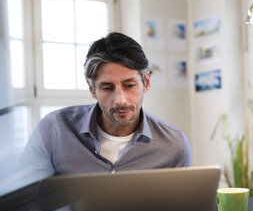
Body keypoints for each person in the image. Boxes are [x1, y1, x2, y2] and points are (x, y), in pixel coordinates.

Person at [18, 32, 192, 180]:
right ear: (92, 89)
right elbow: (26, 199)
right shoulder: (53, 130)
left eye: (129, 85)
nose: (120, 100)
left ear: (146, 82)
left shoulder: (174, 145)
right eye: (108, 88)